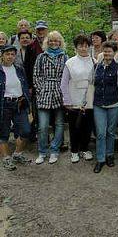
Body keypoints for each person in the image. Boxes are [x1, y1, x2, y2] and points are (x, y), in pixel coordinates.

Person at [93, 41, 118, 173]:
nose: (107, 53)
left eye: (110, 51)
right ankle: (100, 159)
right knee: (101, 132)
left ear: (114, 53)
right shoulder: (97, 67)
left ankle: (109, 155)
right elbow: (92, 83)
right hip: (98, 104)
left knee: (110, 132)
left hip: (114, 104)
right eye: (105, 51)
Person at [33, 31, 67, 165]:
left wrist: (64, 91)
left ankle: (54, 150)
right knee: (42, 126)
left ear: (60, 42)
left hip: (59, 93)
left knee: (59, 124)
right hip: (44, 93)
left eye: (56, 40)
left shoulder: (65, 57)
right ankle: (42, 152)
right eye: (51, 40)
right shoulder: (41, 57)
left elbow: (67, 76)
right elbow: (36, 75)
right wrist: (41, 90)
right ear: (47, 42)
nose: (54, 43)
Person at [60, 34, 95, 164]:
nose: (83, 48)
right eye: (81, 45)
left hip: (89, 99)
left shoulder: (94, 61)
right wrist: (67, 100)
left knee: (87, 126)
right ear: (76, 47)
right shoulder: (70, 62)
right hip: (73, 99)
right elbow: (63, 83)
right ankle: (74, 151)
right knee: (74, 126)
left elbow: (95, 83)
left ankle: (85, 149)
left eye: (86, 45)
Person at [0, 45, 31, 171]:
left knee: (26, 130)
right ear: (2, 55)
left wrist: (26, 101)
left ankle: (17, 154)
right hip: (4, 105)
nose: (10, 56)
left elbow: (25, 86)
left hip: (19, 104)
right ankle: (6, 159)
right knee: (3, 134)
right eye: (7, 54)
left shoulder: (19, 69)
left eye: (13, 54)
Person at [23, 20, 48, 141]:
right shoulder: (30, 47)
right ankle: (40, 136)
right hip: (36, 84)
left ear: (46, 30)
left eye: (43, 29)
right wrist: (29, 86)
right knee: (37, 111)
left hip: (51, 83)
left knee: (53, 112)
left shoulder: (52, 43)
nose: (41, 32)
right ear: (36, 31)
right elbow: (27, 67)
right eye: (39, 30)